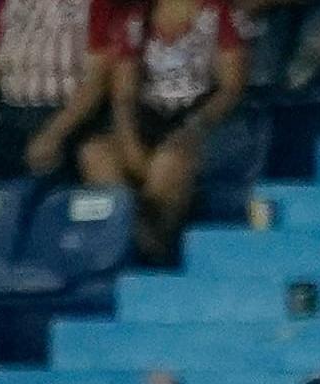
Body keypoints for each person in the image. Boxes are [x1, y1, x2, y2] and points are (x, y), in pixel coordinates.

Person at [85, 0, 250, 263]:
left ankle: (155, 251)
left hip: (203, 118)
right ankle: (129, 238)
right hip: (149, 118)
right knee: (96, 154)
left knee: (168, 161)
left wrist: (194, 127)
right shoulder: (136, 18)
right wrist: (129, 142)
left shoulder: (220, 13)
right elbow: (124, 94)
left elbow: (231, 87)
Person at [0, 0, 118, 183]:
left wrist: (54, 135)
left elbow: (95, 82)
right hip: (14, 118)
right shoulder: (6, 5)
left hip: (69, 118)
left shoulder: (93, 4)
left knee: (84, 161)